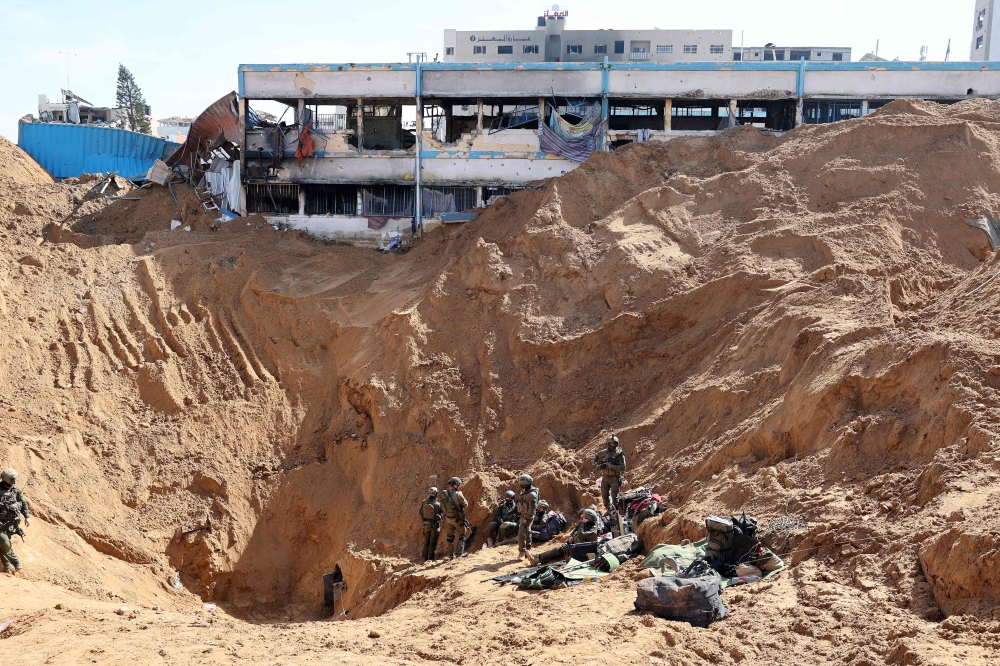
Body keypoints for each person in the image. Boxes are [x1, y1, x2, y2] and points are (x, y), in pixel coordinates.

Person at [528, 508, 607, 566]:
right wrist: (571, 537)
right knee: (559, 549)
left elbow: (581, 534)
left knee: (560, 550)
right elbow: (575, 530)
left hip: (580, 550)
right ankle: (537, 557)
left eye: (585, 517)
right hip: (575, 544)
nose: (583, 517)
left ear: (589, 518)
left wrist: (582, 524)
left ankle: (537, 559)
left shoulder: (593, 530)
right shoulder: (587, 524)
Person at [0, 469, 30, 574]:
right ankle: (16, 562)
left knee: (4, 543)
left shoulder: (16, 489)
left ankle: (6, 566)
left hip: (10, 521)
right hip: (0, 521)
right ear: (5, 479)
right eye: (11, 479)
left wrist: (27, 516)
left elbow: (23, 502)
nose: (13, 481)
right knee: (5, 542)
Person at [593, 434, 626, 513]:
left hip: (614, 478)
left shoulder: (620, 454)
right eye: (611, 443)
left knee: (615, 498)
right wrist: (596, 464)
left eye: (614, 443)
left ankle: (615, 513)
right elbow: (596, 456)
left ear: (616, 444)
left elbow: (623, 467)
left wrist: (611, 466)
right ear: (608, 443)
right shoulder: (605, 452)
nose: (612, 445)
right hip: (605, 477)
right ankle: (608, 510)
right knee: (604, 496)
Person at [441, 477, 471, 559]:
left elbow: (442, 507)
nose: (459, 486)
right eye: (458, 485)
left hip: (448, 519)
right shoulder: (458, 494)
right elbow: (466, 505)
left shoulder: (444, 493)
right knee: (462, 533)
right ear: (455, 485)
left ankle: (451, 555)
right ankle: (459, 553)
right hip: (457, 519)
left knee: (449, 537)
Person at [515, 474, 538, 560]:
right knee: (527, 531)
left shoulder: (531, 494)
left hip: (528, 516)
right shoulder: (526, 492)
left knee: (521, 533)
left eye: (524, 483)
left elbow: (532, 509)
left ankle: (522, 552)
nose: (522, 484)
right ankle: (527, 550)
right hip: (524, 514)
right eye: (521, 483)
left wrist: (526, 518)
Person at [420, 487, 443, 562]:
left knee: (426, 541)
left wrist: (424, 521)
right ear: (435, 494)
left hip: (426, 524)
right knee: (433, 541)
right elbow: (441, 514)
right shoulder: (437, 504)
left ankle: (424, 556)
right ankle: (431, 557)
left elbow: (420, 512)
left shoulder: (424, 502)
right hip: (434, 525)